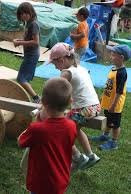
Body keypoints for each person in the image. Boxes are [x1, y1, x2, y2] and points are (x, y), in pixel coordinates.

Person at [18, 77, 77, 194]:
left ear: (43, 102)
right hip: (60, 181)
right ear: (70, 101)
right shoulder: (71, 126)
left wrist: (38, 121)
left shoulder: (37, 128)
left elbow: (20, 141)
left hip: (40, 183)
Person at [49, 43, 101, 171]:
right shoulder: (81, 68)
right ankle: (91, 155)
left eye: (55, 64)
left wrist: (47, 104)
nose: (56, 68)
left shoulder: (66, 73)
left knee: (61, 129)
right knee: (76, 129)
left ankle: (78, 157)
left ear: (61, 60)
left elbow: (58, 91)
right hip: (94, 106)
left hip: (84, 109)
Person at [91, 45, 131, 150]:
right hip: (108, 101)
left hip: (115, 104)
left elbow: (119, 91)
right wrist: (103, 97)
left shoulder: (122, 73)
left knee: (115, 124)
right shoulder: (113, 69)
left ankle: (114, 143)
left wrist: (113, 105)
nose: (111, 56)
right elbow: (109, 85)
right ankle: (105, 136)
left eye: (113, 55)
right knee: (108, 119)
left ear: (121, 57)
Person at [13, 2, 40, 103]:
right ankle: (30, 97)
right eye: (21, 13)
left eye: (25, 13)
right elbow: (29, 39)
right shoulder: (28, 23)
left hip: (32, 55)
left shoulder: (33, 24)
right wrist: (20, 41)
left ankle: (36, 98)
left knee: (21, 79)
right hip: (29, 54)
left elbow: (36, 42)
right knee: (25, 78)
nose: (23, 15)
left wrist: (20, 43)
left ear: (31, 12)